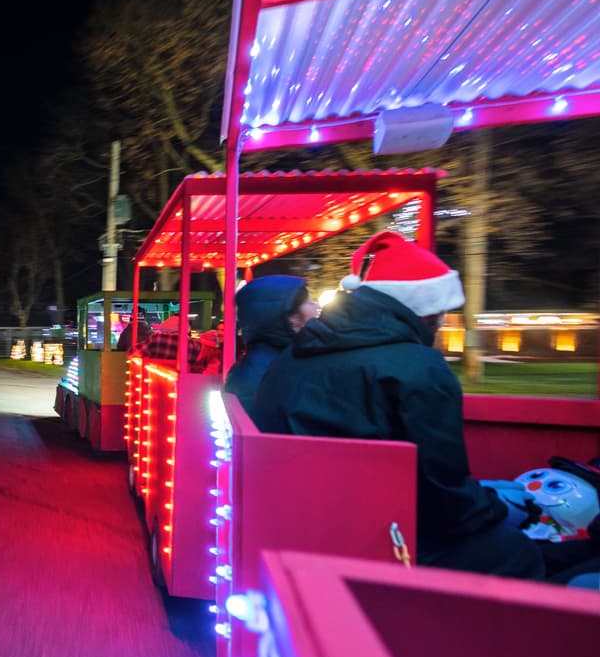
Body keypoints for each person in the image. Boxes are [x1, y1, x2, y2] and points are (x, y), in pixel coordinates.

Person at [253, 231, 598, 581]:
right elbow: (444, 499)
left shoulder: (293, 358)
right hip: (375, 541)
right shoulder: (418, 368)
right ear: (430, 310)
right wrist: (498, 508)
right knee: (515, 550)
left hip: (304, 524)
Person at [223, 275, 319, 417]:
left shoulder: (280, 358)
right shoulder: (267, 370)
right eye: (310, 302)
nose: (317, 307)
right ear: (289, 316)